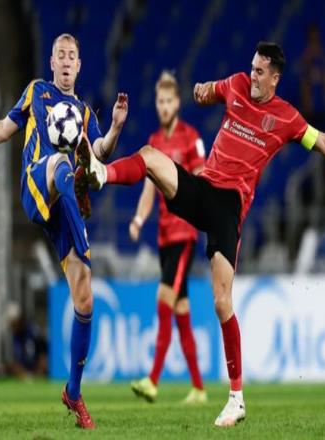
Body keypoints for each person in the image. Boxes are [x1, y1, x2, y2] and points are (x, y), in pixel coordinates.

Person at [75, 41, 325, 427]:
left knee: (222, 302)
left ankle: (236, 399)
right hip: (203, 189)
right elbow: (212, 90)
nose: (253, 76)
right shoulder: (238, 84)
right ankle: (100, 173)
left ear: (275, 78)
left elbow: (324, 142)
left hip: (228, 207)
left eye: (260, 72)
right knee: (149, 156)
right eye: (252, 68)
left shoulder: (287, 118)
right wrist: (201, 91)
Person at [0, 33, 129, 430]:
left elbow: (101, 152)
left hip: (61, 205)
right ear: (52, 63)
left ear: (79, 66)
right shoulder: (36, 92)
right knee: (61, 164)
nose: (66, 61)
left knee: (85, 298)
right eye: (60, 55)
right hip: (36, 182)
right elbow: (2, 129)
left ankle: (73, 393)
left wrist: (113, 127)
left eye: (72, 56)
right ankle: (79, 202)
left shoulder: (85, 113)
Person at [128, 71, 206, 404]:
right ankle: (199, 389)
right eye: (159, 101)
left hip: (184, 234)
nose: (163, 106)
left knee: (164, 300)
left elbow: (202, 177)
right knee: (182, 310)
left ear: (177, 103)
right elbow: (148, 188)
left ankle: (153, 379)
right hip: (163, 236)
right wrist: (138, 219)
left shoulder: (191, 139)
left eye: (168, 101)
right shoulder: (155, 142)